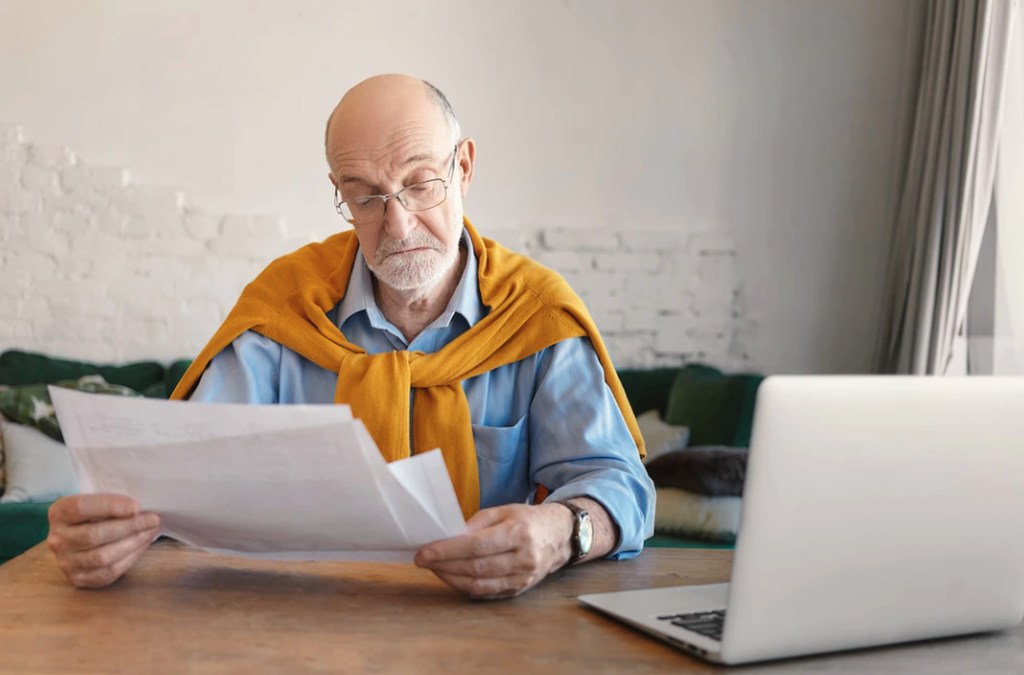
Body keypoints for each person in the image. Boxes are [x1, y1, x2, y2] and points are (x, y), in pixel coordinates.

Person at [47, 74, 655, 599]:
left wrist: (562, 533)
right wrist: (107, 531)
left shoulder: (535, 316)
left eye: (419, 184)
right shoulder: (285, 309)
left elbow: (617, 483)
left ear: (463, 167)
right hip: (300, 617)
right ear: (339, 191)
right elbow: (182, 478)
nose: (396, 223)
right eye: (364, 196)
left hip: (489, 620)